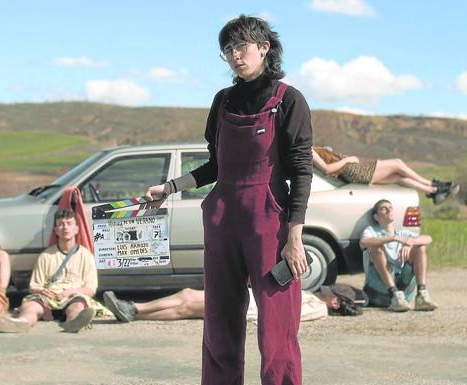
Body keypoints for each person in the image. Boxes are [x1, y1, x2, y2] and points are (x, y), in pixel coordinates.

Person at [144, 15, 312, 385]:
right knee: (219, 321)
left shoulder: (289, 101)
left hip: (269, 221)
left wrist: (295, 237)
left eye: (241, 46)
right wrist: (170, 188)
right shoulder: (222, 101)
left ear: (264, 47)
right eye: (227, 50)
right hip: (221, 218)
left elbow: (301, 171)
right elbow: (214, 166)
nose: (235, 55)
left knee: (276, 326)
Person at [0, 208, 98, 333]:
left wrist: (70, 291)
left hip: (74, 296)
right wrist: (42, 290)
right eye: (61, 224)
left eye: (69, 223)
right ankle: (21, 323)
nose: (65, 228)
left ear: (76, 229)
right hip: (48, 297)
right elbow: (33, 285)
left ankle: (73, 323)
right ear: (56, 230)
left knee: (77, 307)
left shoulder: (86, 256)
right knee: (30, 306)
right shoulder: (45, 256)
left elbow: (90, 289)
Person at [103, 283, 366, 323]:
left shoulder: (318, 308)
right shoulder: (317, 302)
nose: (323, 292)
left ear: (334, 303)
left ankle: (134, 307)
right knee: (186, 306)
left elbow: (287, 315)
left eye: (328, 293)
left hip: (245, 305)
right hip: (245, 301)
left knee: (186, 297)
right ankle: (133, 313)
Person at [359, 199, 437, 312]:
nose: (388, 210)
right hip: (378, 292)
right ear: (376, 217)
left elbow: (428, 238)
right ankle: (394, 293)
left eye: (390, 207)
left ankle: (421, 295)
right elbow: (364, 242)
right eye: (383, 208)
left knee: (420, 246)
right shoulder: (371, 231)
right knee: (376, 248)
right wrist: (393, 238)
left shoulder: (403, 234)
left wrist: (410, 243)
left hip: (404, 294)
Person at [312, 145, 459, 205]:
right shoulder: (307, 150)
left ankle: (433, 192)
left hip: (350, 170)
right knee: (397, 163)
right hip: (351, 170)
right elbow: (326, 169)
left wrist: (327, 151)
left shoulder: (308, 147)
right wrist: (346, 160)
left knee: (397, 177)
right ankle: (433, 185)